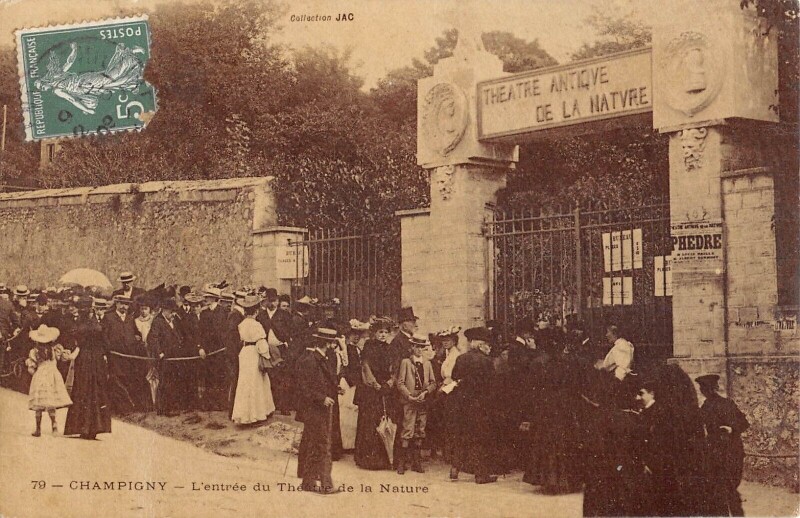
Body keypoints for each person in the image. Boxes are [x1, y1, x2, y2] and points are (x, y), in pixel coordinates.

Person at [294, 327, 341, 495]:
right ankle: (326, 485)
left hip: (321, 408)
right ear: (327, 343)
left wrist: (336, 389)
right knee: (322, 446)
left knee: (316, 445)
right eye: (333, 343)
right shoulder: (310, 360)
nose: (334, 346)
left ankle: (308, 482)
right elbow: (304, 388)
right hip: (315, 409)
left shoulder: (322, 358)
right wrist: (322, 398)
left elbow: (323, 381)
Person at [696, 374, 750, 517]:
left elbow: (744, 423)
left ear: (713, 389)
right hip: (715, 454)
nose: (704, 391)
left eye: (705, 388)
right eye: (703, 388)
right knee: (722, 491)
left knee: (727, 490)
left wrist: (731, 429)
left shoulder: (728, 404)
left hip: (731, 452)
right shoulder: (705, 407)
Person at [450, 326, 498, 484]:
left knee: (461, 436)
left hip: (461, 403)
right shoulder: (486, 361)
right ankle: (480, 474)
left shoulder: (461, 358)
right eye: (485, 343)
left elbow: (454, 376)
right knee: (479, 439)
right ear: (481, 344)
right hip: (479, 405)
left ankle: (455, 469)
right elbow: (492, 385)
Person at [63, 295, 112, 440]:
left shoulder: (80, 325)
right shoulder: (96, 323)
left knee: (83, 390)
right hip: (96, 360)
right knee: (96, 391)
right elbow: (105, 343)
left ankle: (82, 427)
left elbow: (78, 343)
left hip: (84, 360)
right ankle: (95, 427)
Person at [353, 317, 395, 470]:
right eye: (380, 332)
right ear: (374, 333)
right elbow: (365, 367)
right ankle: (367, 458)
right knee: (369, 422)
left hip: (384, 389)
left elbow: (394, 369)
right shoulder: (369, 346)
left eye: (385, 332)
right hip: (370, 391)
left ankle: (383, 458)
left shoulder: (389, 348)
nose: (383, 335)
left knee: (383, 421)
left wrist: (389, 383)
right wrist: (376, 385)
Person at [395, 333, 437, 475]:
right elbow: (400, 383)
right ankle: (402, 462)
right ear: (412, 347)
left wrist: (425, 393)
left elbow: (432, 383)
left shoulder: (427, 363)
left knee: (420, 431)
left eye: (421, 347)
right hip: (410, 401)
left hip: (422, 401)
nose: (419, 350)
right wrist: (409, 396)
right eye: (416, 347)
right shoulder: (406, 362)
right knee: (408, 430)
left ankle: (416, 462)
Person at [231, 295, 276, 424]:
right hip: (254, 353)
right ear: (256, 311)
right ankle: (258, 413)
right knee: (257, 383)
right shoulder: (257, 325)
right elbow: (261, 343)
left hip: (244, 353)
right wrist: (267, 356)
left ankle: (244, 415)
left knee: (245, 383)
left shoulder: (241, 324)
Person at [103, 295, 147, 412]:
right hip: (115, 356)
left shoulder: (130, 318)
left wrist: (138, 338)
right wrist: (109, 351)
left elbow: (137, 333)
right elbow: (104, 337)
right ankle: (120, 408)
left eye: (126, 304)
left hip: (129, 356)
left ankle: (129, 406)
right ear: (116, 304)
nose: (124, 306)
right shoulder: (109, 318)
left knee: (128, 379)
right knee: (117, 381)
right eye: (121, 303)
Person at [26, 325, 72, 437]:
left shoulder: (35, 351)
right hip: (52, 375)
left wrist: (31, 367)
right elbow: (63, 359)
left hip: (40, 376)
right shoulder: (54, 349)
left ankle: (38, 428)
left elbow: (32, 367)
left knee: (39, 401)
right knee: (50, 400)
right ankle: (54, 425)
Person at [256, 288, 293, 414]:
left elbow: (290, 331)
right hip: (266, 350)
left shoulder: (284, 315)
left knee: (283, 377)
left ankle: (284, 406)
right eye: (270, 301)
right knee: (269, 377)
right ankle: (270, 406)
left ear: (278, 301)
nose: (272, 304)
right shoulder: (260, 316)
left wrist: (286, 341)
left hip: (281, 348)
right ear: (266, 301)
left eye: (275, 301)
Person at [147, 298, 185, 415]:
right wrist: (160, 353)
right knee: (165, 382)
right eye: (171, 311)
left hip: (174, 356)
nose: (173, 314)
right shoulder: (158, 321)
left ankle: (172, 406)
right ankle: (164, 408)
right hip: (164, 358)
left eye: (174, 311)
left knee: (173, 381)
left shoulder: (173, 321)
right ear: (164, 310)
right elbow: (153, 338)